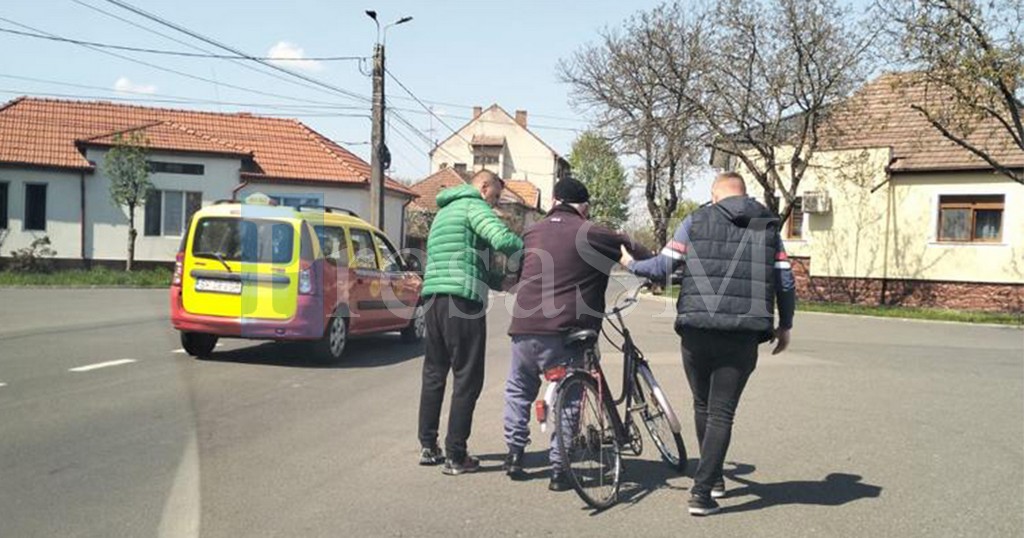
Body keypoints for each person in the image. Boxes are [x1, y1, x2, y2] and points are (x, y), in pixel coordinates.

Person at [620, 171, 797, 516]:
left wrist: (631, 264)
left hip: (697, 328)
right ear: (744, 194)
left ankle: (706, 488)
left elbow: (664, 267)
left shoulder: (696, 220)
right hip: (744, 333)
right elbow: (785, 280)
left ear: (716, 195)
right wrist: (785, 325)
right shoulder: (769, 227)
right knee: (722, 411)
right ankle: (708, 483)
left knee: (703, 405)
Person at [503, 176, 645, 491]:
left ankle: (514, 455)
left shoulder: (531, 231)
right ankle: (559, 470)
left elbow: (512, 276)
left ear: (554, 201)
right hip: (567, 332)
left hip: (524, 328)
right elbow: (635, 250)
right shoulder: (592, 232)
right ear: (584, 207)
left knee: (518, 390)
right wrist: (659, 269)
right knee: (569, 398)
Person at [417, 170, 523, 475]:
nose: (495, 203)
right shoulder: (474, 205)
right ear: (484, 187)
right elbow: (503, 239)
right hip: (462, 302)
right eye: (496, 196)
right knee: (468, 377)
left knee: (435, 374)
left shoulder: (444, 212)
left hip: (433, 299)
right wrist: (528, 255)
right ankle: (456, 454)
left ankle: (428, 445)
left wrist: (501, 282)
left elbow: (471, 260)